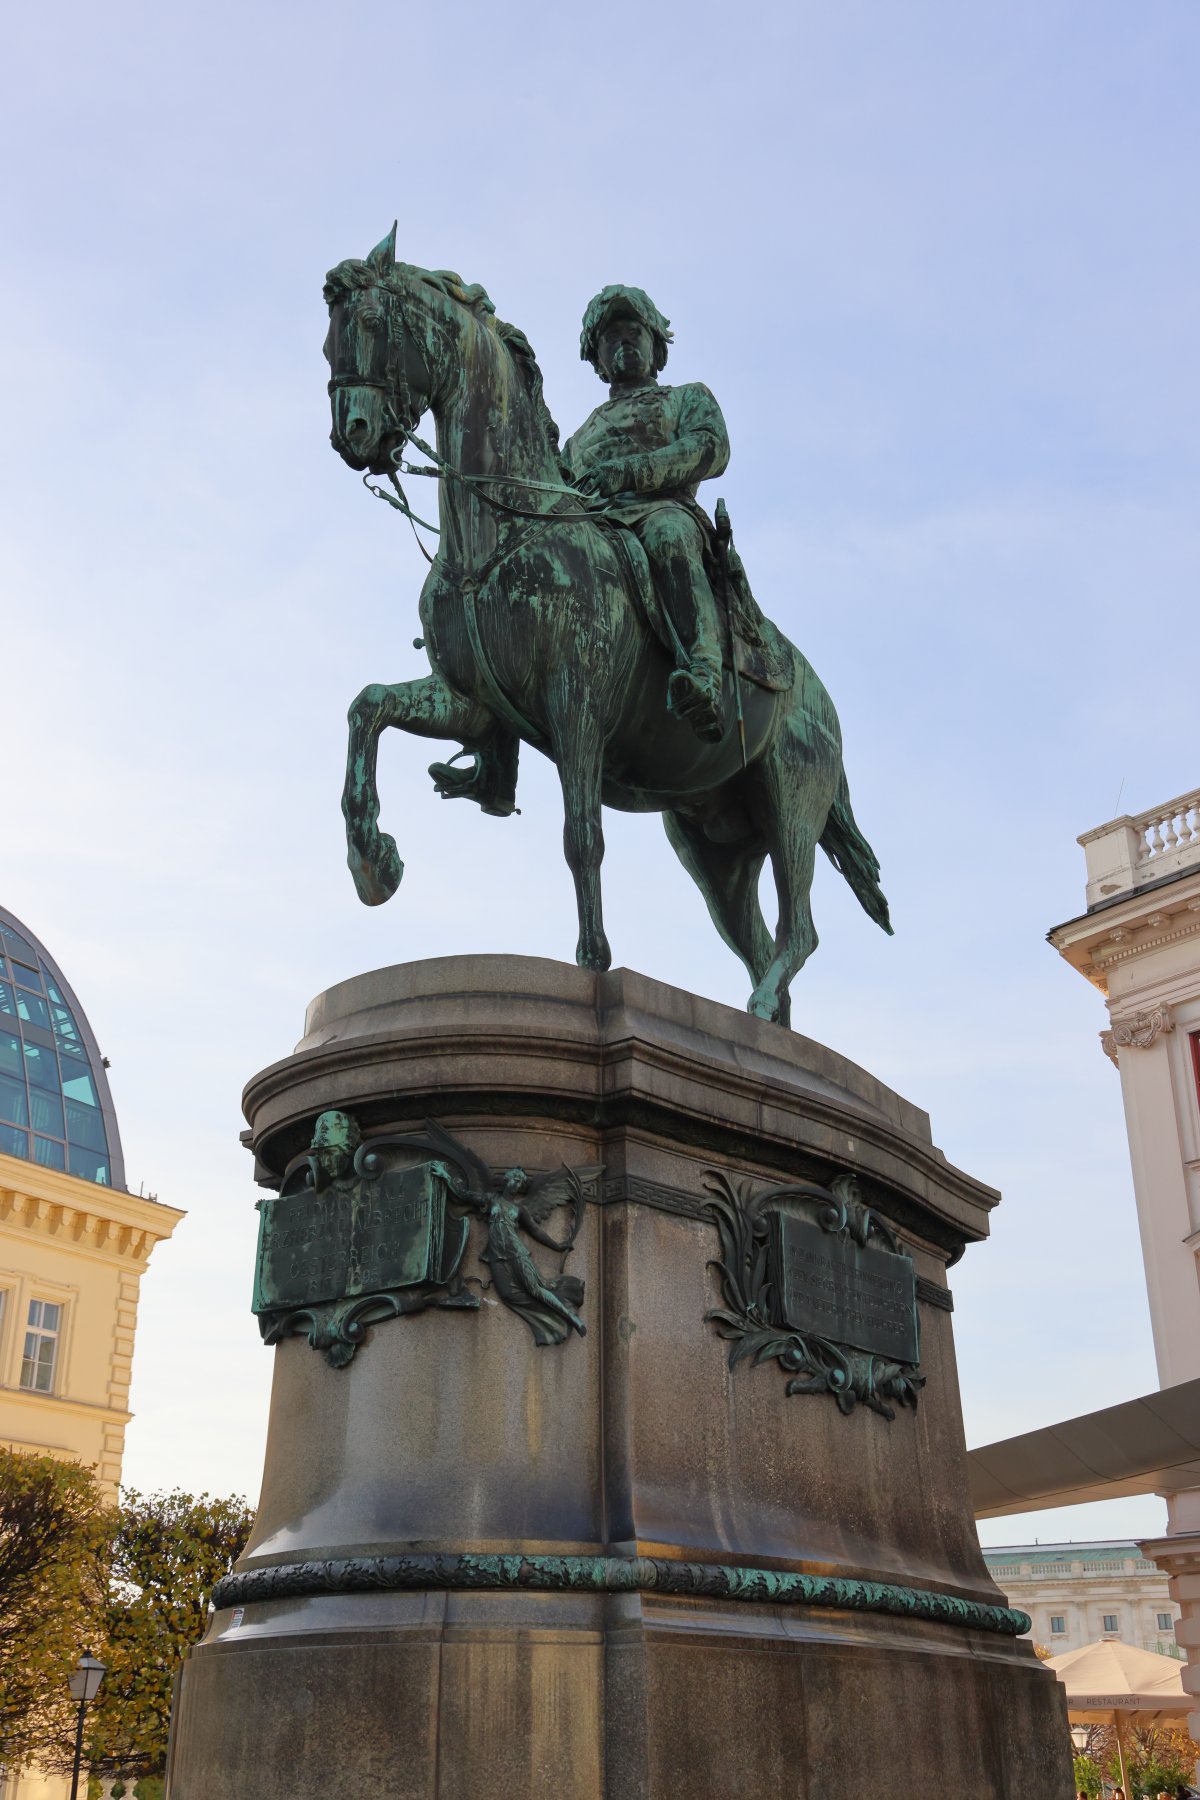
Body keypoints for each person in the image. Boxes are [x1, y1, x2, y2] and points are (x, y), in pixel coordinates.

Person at [564, 285, 730, 742]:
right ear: (596, 356)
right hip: (595, 528)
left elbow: (710, 448)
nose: (623, 342)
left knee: (668, 536)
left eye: (633, 331)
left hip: (661, 511)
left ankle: (704, 673)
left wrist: (630, 473)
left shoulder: (686, 398)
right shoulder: (576, 441)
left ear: (655, 344)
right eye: (610, 336)